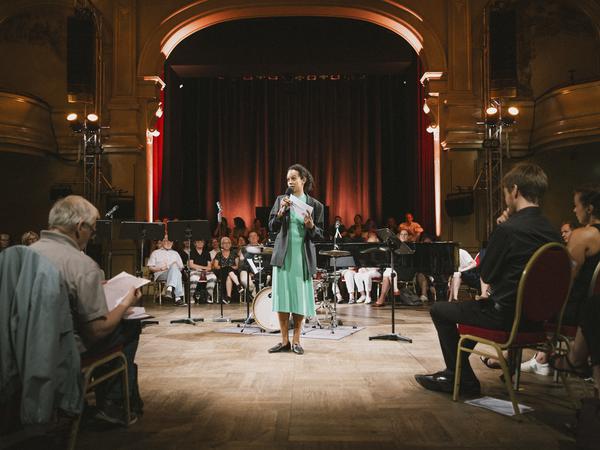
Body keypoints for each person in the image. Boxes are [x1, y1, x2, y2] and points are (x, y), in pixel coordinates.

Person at [414, 163, 560, 395]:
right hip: (537, 321)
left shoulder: (508, 229)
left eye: (504, 193)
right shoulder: (553, 233)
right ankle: (458, 372)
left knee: (441, 310)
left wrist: (499, 230)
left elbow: (488, 275)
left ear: (514, 191)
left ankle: (461, 378)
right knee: (469, 312)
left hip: (505, 317)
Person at [30, 195, 143, 423]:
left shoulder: (21, 254)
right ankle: (112, 403)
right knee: (130, 325)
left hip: (20, 344)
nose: (92, 236)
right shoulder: (80, 264)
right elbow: (97, 331)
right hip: (60, 349)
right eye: (92, 230)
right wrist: (125, 302)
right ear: (80, 227)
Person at [522, 184, 600, 376]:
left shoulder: (583, 235)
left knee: (521, 306)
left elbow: (565, 279)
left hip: (576, 309)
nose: (574, 210)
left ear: (589, 209)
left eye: (576, 205)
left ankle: (512, 358)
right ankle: (539, 358)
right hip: (591, 306)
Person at [268, 163, 324, 355]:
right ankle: (284, 341)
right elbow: (272, 227)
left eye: (293, 178)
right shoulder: (281, 200)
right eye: (288, 179)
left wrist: (311, 226)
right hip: (283, 256)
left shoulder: (316, 206)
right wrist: (281, 212)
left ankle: (297, 340)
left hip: (302, 257)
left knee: (299, 299)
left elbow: (319, 237)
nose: (290, 182)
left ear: (303, 179)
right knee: (283, 298)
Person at [147, 234, 185, 306]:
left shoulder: (175, 253)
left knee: (175, 268)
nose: (168, 242)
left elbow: (181, 267)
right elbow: (150, 267)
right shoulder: (155, 253)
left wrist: (174, 267)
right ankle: (177, 297)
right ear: (162, 242)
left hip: (174, 273)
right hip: (160, 274)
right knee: (176, 271)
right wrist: (161, 268)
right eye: (166, 241)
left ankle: (170, 288)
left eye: (170, 241)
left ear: (173, 243)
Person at [212, 236, 244, 304]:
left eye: (228, 243)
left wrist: (229, 267)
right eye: (224, 243)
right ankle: (238, 285)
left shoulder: (234, 254)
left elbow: (237, 266)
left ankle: (228, 298)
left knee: (229, 274)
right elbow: (216, 266)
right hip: (221, 272)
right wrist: (225, 267)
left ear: (230, 244)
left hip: (232, 273)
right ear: (222, 245)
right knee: (227, 268)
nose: (226, 244)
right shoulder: (219, 254)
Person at [188, 239, 217, 303]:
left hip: (206, 271)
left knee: (213, 277)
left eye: (202, 242)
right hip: (195, 271)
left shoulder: (207, 253)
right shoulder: (192, 252)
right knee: (194, 278)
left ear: (204, 243)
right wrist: (202, 268)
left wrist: (202, 269)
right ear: (195, 243)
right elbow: (191, 265)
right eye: (198, 242)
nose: (200, 243)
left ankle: (208, 296)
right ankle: (191, 296)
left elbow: (209, 267)